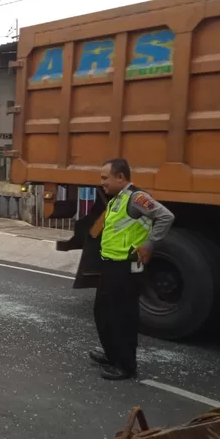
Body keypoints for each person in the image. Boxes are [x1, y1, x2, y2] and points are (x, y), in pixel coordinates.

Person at [90, 158, 175, 381]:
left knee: (123, 317)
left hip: (127, 267)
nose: (102, 183)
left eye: (105, 178)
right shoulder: (116, 199)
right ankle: (112, 355)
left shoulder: (136, 197)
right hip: (111, 265)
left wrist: (150, 243)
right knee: (103, 313)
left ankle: (126, 365)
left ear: (120, 177)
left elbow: (165, 216)